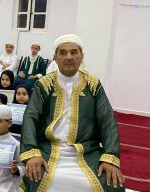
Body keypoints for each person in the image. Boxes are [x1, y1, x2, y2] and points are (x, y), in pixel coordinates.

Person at [20, 34, 124, 191]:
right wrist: (33, 154)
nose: (68, 57)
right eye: (62, 53)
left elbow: (107, 120)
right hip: (48, 149)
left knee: (111, 181)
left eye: (74, 52)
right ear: (55, 58)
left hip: (87, 151)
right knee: (36, 175)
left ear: (82, 56)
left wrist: (110, 158)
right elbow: (30, 117)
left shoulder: (93, 84)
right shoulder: (43, 84)